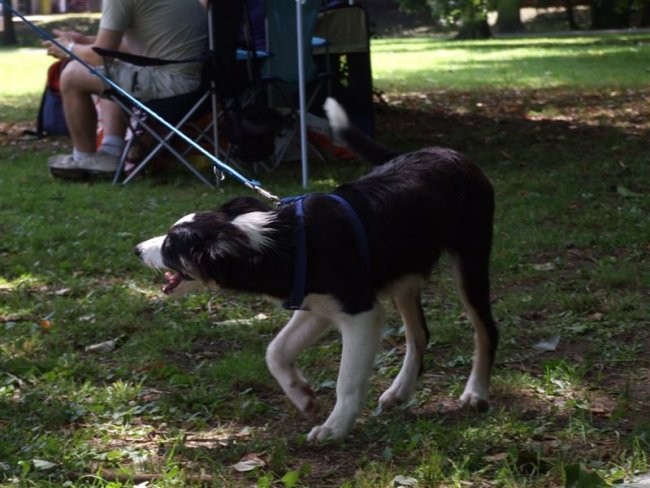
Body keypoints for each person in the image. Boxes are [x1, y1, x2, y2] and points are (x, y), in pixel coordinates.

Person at [43, 0, 208, 180]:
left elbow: (101, 56)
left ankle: (83, 158)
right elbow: (129, 47)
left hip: (172, 90)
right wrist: (86, 42)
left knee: (72, 74)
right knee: (111, 72)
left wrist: (70, 48)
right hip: (200, 90)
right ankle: (111, 152)